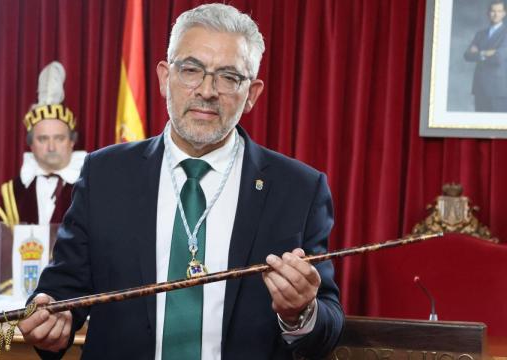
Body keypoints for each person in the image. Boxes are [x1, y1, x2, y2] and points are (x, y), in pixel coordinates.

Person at [19, 4, 344, 360]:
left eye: (228, 76)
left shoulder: (299, 189)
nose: (206, 90)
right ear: (163, 77)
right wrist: (51, 318)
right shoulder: (105, 174)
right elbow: (62, 292)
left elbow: (328, 322)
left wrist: (300, 312)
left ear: (252, 93)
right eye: (191, 69)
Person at [0, 61, 87, 226]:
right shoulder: (12, 193)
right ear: (31, 144)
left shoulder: (91, 188)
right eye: (43, 139)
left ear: (72, 141)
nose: (51, 147)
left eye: (59, 138)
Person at [464, 0, 507, 112]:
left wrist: (478, 53)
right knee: (480, 124)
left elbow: (498, 58)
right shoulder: (480, 34)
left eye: (499, 11)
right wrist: (485, 53)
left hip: (498, 89)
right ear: (488, 13)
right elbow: (467, 55)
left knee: (496, 125)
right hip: (480, 87)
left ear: (504, 13)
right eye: (493, 11)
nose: (496, 14)